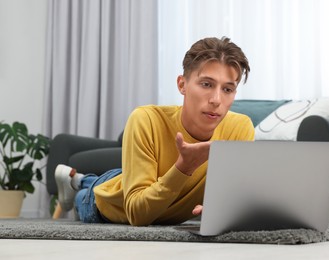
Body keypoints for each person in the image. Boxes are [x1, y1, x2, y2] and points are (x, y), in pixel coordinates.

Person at [55, 36, 254, 226]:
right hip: (107, 203)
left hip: (142, 182)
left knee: (125, 176)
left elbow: (236, 196)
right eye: (206, 84)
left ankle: (77, 179)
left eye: (227, 89)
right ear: (182, 85)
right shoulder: (145, 119)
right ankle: (78, 185)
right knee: (90, 194)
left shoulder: (240, 129)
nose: (216, 100)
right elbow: (137, 214)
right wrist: (183, 168)